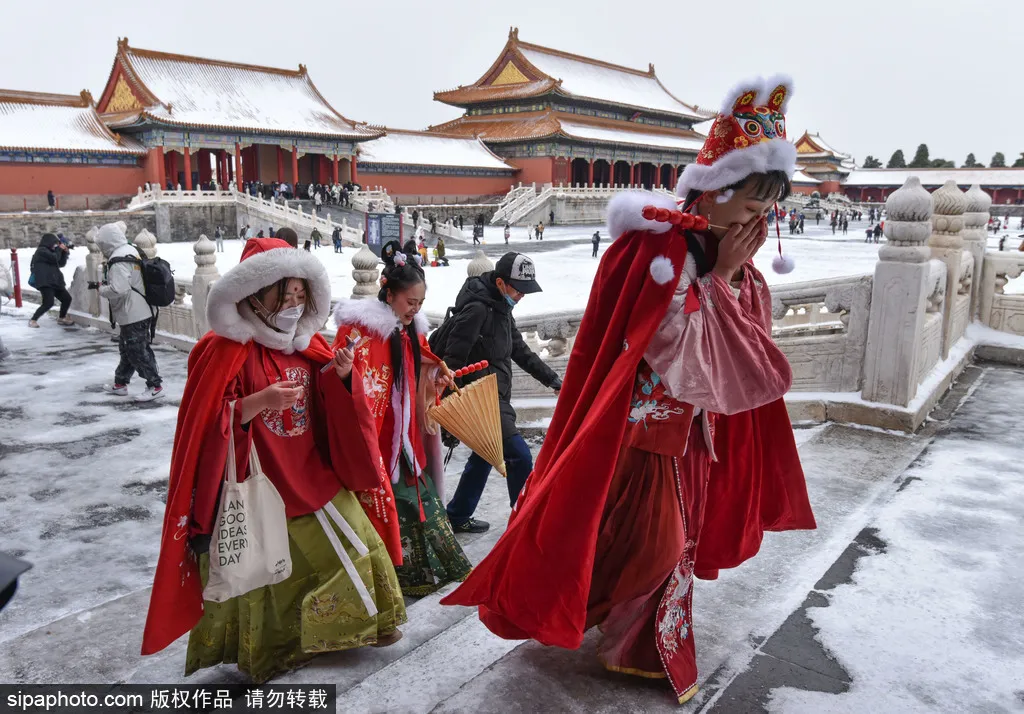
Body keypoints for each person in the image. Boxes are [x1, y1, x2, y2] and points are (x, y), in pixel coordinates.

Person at [441, 77, 815, 704]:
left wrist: (731, 276)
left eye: (764, 213)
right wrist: (719, 275)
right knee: (650, 541)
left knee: (669, 542)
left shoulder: (726, 259)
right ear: (716, 192)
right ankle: (621, 629)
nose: (758, 223)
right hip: (640, 427)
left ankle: (635, 633)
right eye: (751, 208)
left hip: (694, 431)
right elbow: (672, 351)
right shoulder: (660, 246)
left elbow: (739, 359)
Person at [141, 237, 405, 679]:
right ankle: (281, 649)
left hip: (313, 473)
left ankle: (363, 625)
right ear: (256, 296)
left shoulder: (308, 344)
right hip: (258, 483)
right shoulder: (221, 349)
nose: (294, 306)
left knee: (360, 544)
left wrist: (341, 378)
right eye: (285, 297)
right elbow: (201, 427)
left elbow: (334, 412)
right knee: (264, 577)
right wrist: (254, 403)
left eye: (301, 297)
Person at [332, 242, 472, 596]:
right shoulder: (358, 332)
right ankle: (390, 577)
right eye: (410, 302)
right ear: (388, 292)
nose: (415, 309)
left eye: (420, 304)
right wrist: (348, 377)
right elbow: (335, 381)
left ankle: (418, 572)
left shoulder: (410, 331)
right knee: (389, 501)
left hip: (404, 435)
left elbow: (418, 368)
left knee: (418, 496)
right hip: (375, 435)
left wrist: (433, 379)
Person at [429, 252, 562, 533]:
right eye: (519, 289)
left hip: (496, 396)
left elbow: (522, 352)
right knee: (519, 456)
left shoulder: (501, 309)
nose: (522, 295)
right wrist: (450, 402)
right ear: (500, 282)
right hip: (481, 398)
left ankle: (458, 514)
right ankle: (524, 523)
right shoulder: (478, 310)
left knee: (484, 456)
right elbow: (451, 360)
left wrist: (553, 380)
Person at [93, 222, 164, 401]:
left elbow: (119, 289)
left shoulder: (118, 260)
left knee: (137, 350)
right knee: (127, 349)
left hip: (134, 313)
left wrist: (101, 289)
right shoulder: (130, 249)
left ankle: (155, 385)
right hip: (137, 310)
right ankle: (120, 383)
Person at [27, 233, 73, 328]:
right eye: (54, 243)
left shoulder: (52, 252)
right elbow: (54, 258)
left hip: (55, 281)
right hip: (45, 282)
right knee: (48, 302)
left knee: (67, 298)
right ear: (48, 242)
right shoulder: (41, 251)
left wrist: (64, 252)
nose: (55, 246)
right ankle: (33, 320)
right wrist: (59, 249)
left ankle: (62, 318)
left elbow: (60, 263)